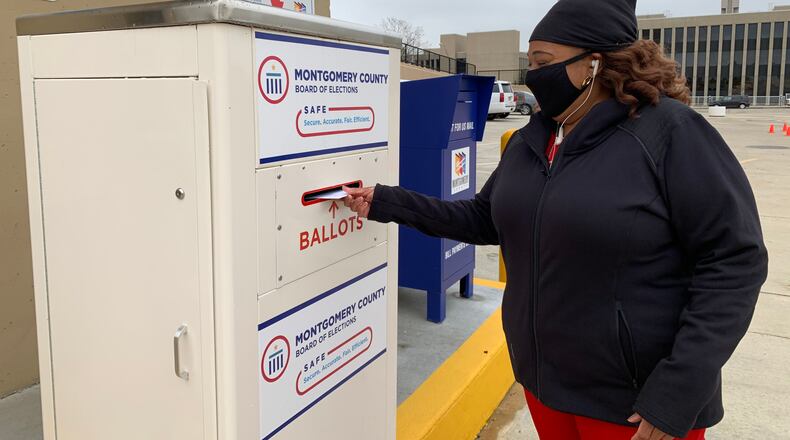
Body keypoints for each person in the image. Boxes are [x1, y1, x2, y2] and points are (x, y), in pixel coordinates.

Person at [343, 0, 768, 438]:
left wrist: (679, 392)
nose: (533, 74)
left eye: (543, 61)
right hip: (546, 387)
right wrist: (384, 202)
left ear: (593, 64)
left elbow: (735, 261)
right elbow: (482, 219)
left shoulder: (670, 133)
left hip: (634, 407)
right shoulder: (536, 136)